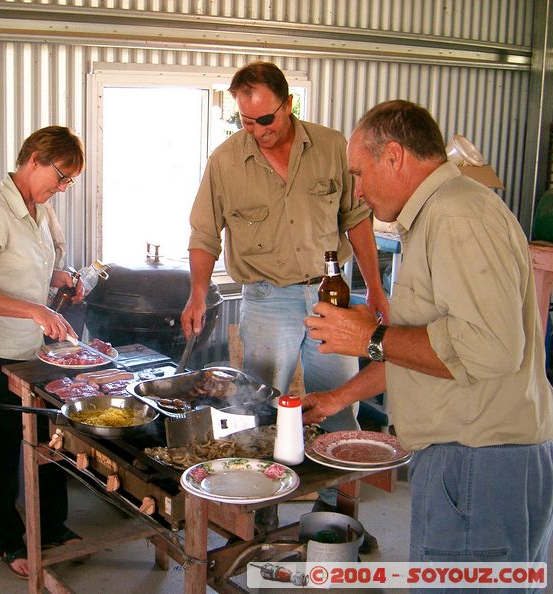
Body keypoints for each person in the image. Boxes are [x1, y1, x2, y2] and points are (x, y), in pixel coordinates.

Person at [303, 99, 553, 576]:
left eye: (360, 173)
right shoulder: (440, 214)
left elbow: (490, 350)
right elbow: (429, 347)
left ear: (394, 156)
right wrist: (339, 397)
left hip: (479, 461)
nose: (358, 190)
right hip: (467, 458)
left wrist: (371, 336)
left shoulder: (458, 216)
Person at [181, 61, 389, 548]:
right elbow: (204, 233)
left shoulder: (331, 146)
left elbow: (356, 219)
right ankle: (258, 518)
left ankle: (336, 516)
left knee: (339, 406)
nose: (257, 131)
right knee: (260, 409)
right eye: (245, 121)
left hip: (331, 297)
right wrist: (196, 292)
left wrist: (376, 291)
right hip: (266, 298)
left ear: (288, 104)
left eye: (265, 119)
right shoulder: (226, 161)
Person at [0, 126, 85, 579]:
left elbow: (22, 271)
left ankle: (52, 528)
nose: (62, 188)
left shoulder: (39, 210)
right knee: (2, 448)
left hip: (29, 348)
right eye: (61, 176)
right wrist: (34, 309)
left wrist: (59, 278)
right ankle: (7, 540)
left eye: (69, 181)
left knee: (49, 439)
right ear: (35, 160)